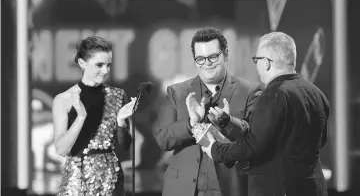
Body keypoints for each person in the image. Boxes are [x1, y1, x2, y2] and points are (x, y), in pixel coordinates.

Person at [201, 32, 329, 196]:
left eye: (257, 60)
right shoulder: (316, 93)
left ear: (267, 62)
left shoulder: (273, 94)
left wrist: (216, 150)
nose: (256, 65)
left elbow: (253, 146)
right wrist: (227, 122)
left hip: (280, 189)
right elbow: (320, 140)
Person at [155, 28, 253, 196]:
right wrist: (190, 124)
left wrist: (227, 123)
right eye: (200, 59)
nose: (207, 63)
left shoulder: (249, 91)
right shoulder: (177, 92)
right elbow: (163, 138)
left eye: (213, 56)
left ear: (226, 55)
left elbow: (254, 140)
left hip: (227, 188)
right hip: (183, 189)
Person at [53, 36, 136, 196]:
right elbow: (62, 149)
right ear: (82, 63)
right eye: (99, 65)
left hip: (110, 177)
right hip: (78, 178)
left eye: (108, 65)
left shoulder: (118, 95)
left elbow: (125, 145)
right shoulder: (64, 99)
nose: (105, 71)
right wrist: (81, 117)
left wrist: (120, 122)